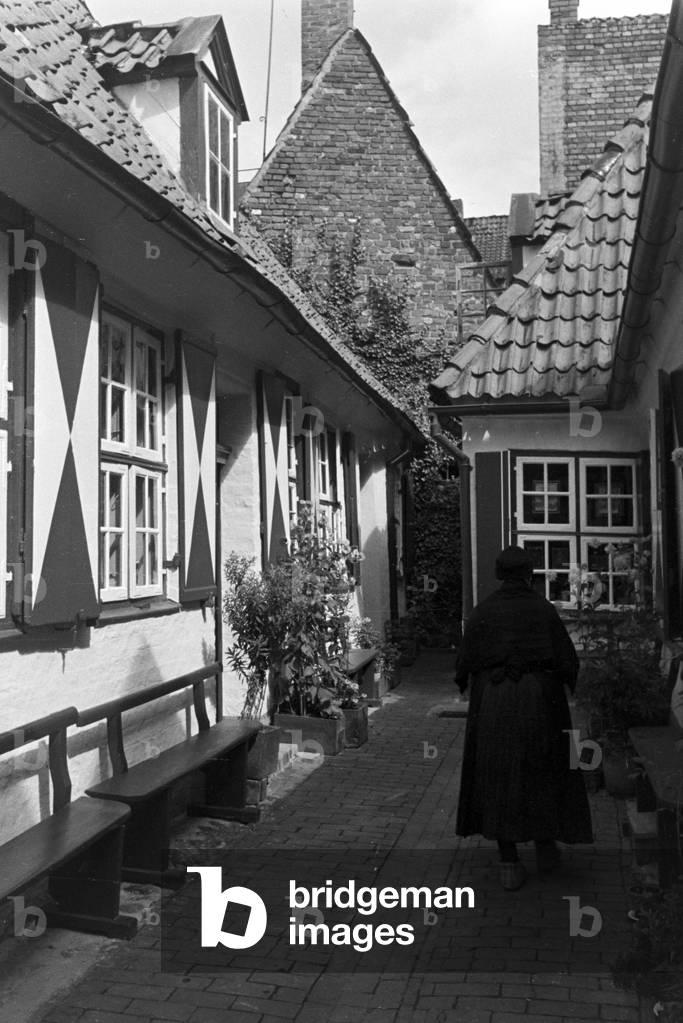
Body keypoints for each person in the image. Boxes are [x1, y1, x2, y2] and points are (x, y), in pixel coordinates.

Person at [455, 546, 593, 890]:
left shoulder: (483, 611)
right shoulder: (542, 610)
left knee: (499, 774)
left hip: (495, 701)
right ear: (529, 574)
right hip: (539, 700)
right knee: (544, 769)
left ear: (500, 574)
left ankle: (509, 861)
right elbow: (566, 660)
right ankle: (546, 847)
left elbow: (465, 664)